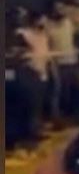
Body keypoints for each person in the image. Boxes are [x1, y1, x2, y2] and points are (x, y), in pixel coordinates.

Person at [13, 8, 50, 147]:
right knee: (30, 105)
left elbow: (46, 53)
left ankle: (36, 128)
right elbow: (20, 49)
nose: (43, 24)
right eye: (41, 21)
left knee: (38, 104)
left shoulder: (43, 36)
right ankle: (29, 133)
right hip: (29, 73)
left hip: (42, 72)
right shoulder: (24, 34)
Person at [43, 0, 79, 123]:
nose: (59, 11)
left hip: (72, 62)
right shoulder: (48, 25)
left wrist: (66, 9)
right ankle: (57, 119)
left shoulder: (68, 22)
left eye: (61, 8)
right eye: (57, 9)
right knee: (58, 93)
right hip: (58, 64)